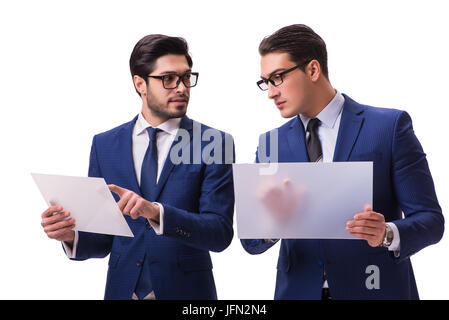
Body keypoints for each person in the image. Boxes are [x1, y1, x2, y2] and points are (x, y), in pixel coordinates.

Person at [241, 24, 444, 300]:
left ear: (312, 70)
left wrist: (386, 233)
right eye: (265, 82)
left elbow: (431, 221)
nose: (271, 92)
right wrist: (272, 223)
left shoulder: (389, 127)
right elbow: (251, 242)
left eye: (277, 78)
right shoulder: (270, 144)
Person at [40, 34, 235, 300]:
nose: (182, 88)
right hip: (122, 291)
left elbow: (219, 233)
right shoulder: (105, 144)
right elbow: (103, 239)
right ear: (140, 83)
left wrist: (156, 212)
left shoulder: (214, 142)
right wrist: (70, 235)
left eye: (187, 77)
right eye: (168, 79)